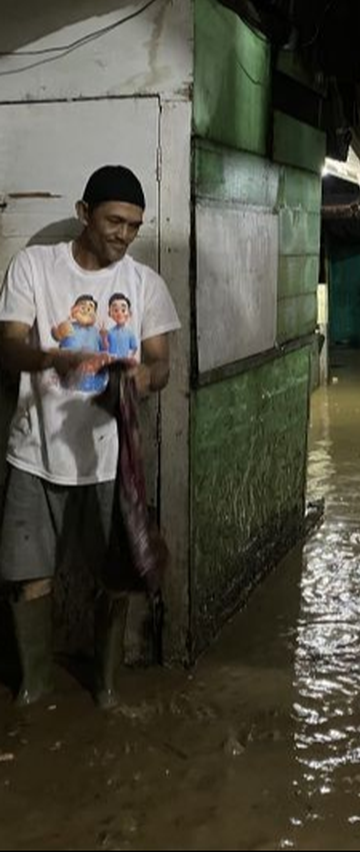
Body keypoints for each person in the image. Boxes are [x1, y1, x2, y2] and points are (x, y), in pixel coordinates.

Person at [0, 164, 180, 709]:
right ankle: (34, 686)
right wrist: (56, 357)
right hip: (36, 450)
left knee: (116, 578)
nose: (124, 235)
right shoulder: (35, 266)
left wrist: (138, 379)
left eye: (134, 226)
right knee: (28, 577)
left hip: (110, 459)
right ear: (85, 214)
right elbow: (8, 347)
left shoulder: (145, 283)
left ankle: (105, 690)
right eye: (114, 221)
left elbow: (161, 364)